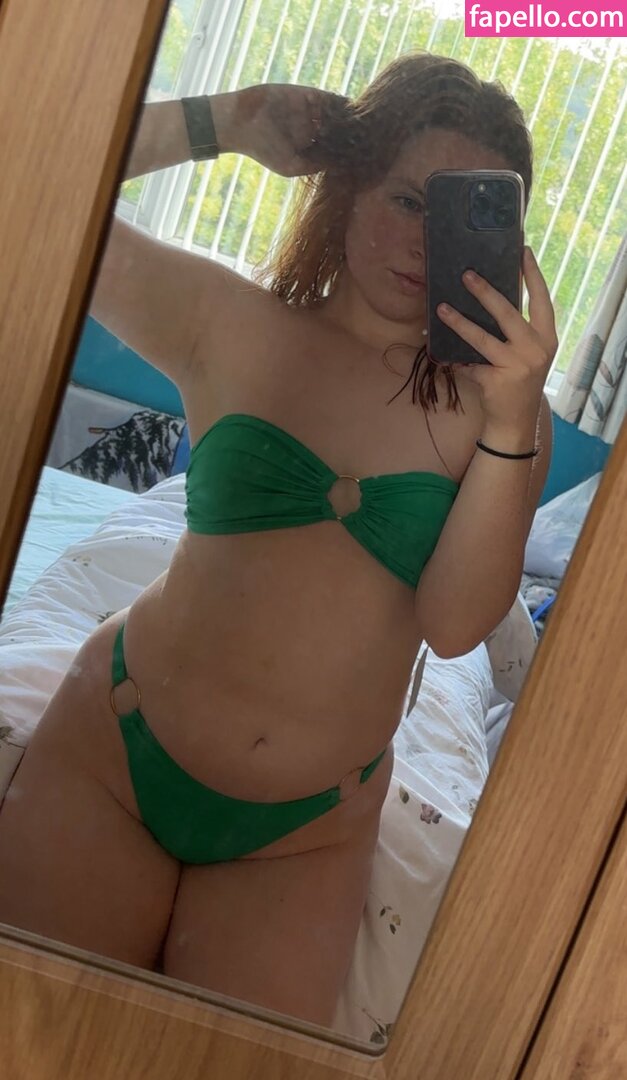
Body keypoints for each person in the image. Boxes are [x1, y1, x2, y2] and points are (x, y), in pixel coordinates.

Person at [0, 52, 555, 1027]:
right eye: (405, 199)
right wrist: (223, 121)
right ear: (348, 185)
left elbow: (458, 625)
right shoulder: (228, 321)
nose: (422, 241)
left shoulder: (498, 415)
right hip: (115, 753)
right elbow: (30, 179)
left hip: (306, 831)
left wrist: (513, 419)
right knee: (30, 1041)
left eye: (454, 215)